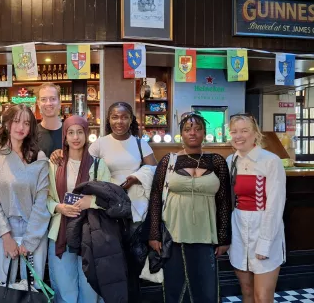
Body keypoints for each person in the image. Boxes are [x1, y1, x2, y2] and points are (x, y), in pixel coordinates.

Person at [52, 102, 157, 302]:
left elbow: (155, 170)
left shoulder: (139, 143)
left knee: (134, 262)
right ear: (108, 120)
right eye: (115, 117)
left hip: (133, 209)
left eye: (125, 117)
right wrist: (59, 153)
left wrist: (136, 177)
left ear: (131, 119)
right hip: (106, 211)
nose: (120, 121)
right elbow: (80, 162)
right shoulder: (100, 144)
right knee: (113, 262)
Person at [148, 112, 232, 303]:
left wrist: (224, 237)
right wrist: (154, 233)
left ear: (204, 133)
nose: (192, 132)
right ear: (181, 134)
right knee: (175, 287)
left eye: (197, 129)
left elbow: (224, 201)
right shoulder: (168, 161)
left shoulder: (217, 161)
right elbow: (155, 197)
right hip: (173, 233)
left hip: (206, 234)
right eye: (187, 129)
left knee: (206, 288)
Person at [0, 104, 50, 287]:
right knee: (2, 286)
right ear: (7, 124)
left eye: (26, 123)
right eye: (16, 121)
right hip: (1, 230)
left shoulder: (38, 157)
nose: (20, 127)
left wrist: (30, 240)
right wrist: (6, 236)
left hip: (34, 229)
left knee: (32, 288)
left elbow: (43, 201)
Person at [47, 115, 112, 303]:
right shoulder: (54, 164)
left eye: (80, 132)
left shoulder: (98, 165)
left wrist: (89, 202)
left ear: (86, 134)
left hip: (90, 233)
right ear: (65, 137)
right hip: (60, 232)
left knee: (89, 288)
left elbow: (109, 199)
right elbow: (44, 198)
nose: (75, 137)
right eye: (71, 132)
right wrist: (59, 207)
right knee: (64, 288)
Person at [227, 114, 286, 303]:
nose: (239, 136)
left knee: (262, 296)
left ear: (255, 134)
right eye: (234, 131)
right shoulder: (230, 161)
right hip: (238, 231)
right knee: (247, 291)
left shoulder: (270, 160)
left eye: (244, 131)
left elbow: (275, 205)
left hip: (263, 229)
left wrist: (265, 241)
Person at [37, 83, 63, 158]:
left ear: (59, 103)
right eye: (43, 99)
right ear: (38, 104)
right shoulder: (31, 134)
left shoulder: (69, 132)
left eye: (53, 99)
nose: (48, 103)